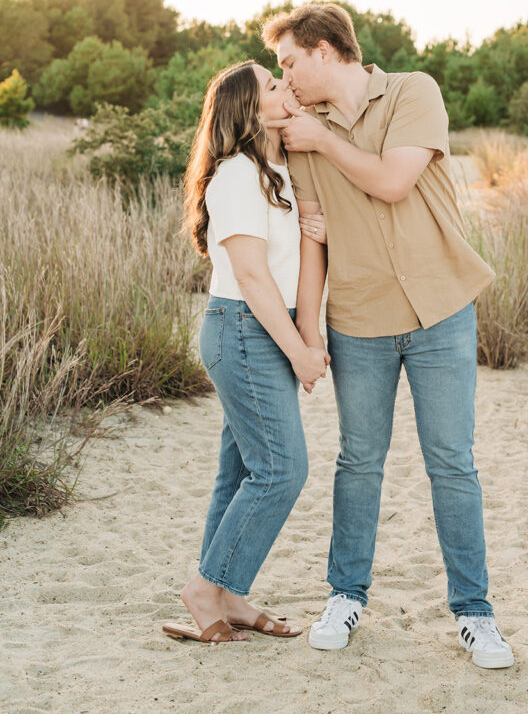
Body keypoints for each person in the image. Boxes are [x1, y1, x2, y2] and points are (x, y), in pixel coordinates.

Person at [262, 4, 515, 670]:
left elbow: (394, 182)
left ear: (321, 50)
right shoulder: (302, 132)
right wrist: (307, 333)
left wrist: (322, 143)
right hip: (358, 321)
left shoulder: (412, 90)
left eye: (288, 62)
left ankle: (474, 613)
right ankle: (345, 596)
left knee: (451, 464)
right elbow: (312, 237)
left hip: (440, 310)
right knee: (358, 463)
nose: (283, 76)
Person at [162, 60, 329, 645]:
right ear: (249, 109)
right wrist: (302, 355)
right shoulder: (235, 174)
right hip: (242, 328)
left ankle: (227, 595)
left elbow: (292, 268)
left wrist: (307, 334)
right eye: (273, 85)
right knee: (283, 469)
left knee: (239, 470)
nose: (287, 88)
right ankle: (205, 586)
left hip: (264, 326)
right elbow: (253, 278)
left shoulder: (278, 173)